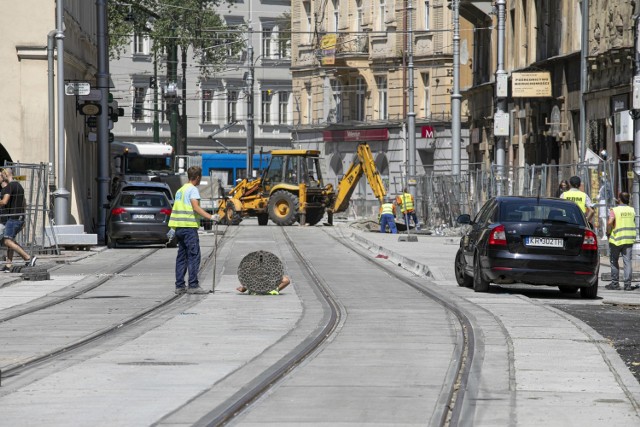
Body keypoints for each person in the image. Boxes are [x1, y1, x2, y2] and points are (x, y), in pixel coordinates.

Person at [168, 166, 219, 295]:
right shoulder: (193, 190)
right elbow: (195, 207)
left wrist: (173, 228)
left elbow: (176, 209)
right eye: (200, 177)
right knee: (194, 256)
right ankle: (193, 285)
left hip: (179, 228)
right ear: (197, 177)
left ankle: (179, 286)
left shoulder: (180, 190)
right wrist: (211, 217)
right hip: (189, 228)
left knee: (182, 257)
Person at [0, 168, 36, 271]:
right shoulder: (19, 186)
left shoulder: (10, 186)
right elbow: (24, 203)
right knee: (10, 240)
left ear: (5, 175)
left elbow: (4, 202)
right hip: (19, 217)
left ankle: (28, 258)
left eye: (2, 175)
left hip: (13, 218)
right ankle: (8, 264)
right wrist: (23, 216)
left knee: (7, 241)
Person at [606, 192, 636, 291]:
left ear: (619, 199)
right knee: (627, 262)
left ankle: (615, 284)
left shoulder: (614, 210)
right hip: (628, 239)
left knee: (614, 261)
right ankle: (627, 285)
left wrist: (608, 232)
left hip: (616, 239)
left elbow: (610, 222)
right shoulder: (632, 210)